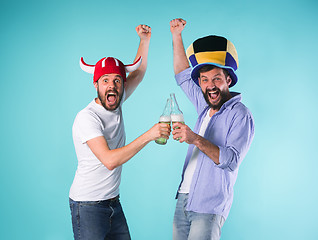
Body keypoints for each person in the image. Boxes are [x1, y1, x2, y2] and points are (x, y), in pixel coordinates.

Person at [69, 24, 171, 240]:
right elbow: (109, 160)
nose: (112, 86)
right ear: (95, 84)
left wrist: (144, 40)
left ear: (122, 84)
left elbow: (139, 72)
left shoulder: (116, 100)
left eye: (117, 80)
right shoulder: (87, 117)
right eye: (105, 81)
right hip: (87, 206)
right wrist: (149, 135)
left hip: (113, 202)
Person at [169, 18, 255, 240]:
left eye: (216, 78)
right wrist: (176, 35)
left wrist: (195, 138)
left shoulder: (240, 114)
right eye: (205, 80)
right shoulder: (204, 104)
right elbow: (182, 75)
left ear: (228, 80)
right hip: (184, 198)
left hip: (209, 205)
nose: (210, 85)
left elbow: (231, 160)